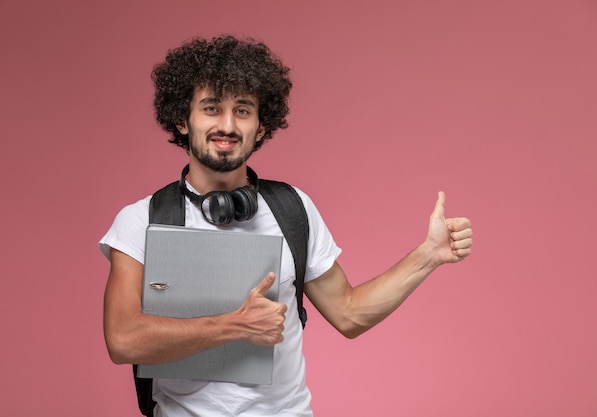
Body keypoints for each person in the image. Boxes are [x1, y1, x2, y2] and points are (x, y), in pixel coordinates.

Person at [100, 35, 473, 417]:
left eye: (243, 110)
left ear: (262, 127)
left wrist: (428, 255)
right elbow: (123, 339)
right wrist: (235, 326)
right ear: (182, 120)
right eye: (211, 108)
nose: (227, 125)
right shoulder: (142, 220)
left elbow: (349, 314)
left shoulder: (292, 209)